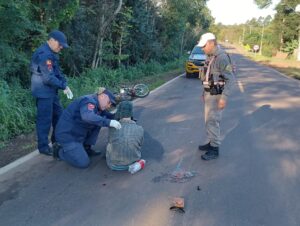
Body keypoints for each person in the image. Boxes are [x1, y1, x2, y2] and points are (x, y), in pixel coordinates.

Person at [53, 87, 122, 168]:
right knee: (83, 163)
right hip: (68, 136)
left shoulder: (98, 105)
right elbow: (87, 116)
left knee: (100, 119)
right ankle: (58, 151)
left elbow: (108, 115)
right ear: (102, 96)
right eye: (109, 102)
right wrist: (109, 122)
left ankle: (86, 147)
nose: (109, 105)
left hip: (77, 133)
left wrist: (121, 117)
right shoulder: (88, 101)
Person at [30, 30, 73, 156]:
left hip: (51, 92)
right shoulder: (44, 54)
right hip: (43, 92)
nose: (61, 47)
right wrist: (63, 86)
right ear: (52, 40)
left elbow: (56, 72)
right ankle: (43, 147)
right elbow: (48, 77)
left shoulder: (51, 53)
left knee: (59, 115)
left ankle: (56, 141)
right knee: (45, 120)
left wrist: (64, 83)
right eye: (60, 45)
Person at [197, 32, 234, 160]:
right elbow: (208, 75)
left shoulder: (222, 57)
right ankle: (211, 142)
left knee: (213, 121)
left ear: (212, 43)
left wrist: (224, 97)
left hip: (217, 95)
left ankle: (215, 149)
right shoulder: (210, 56)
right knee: (208, 121)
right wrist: (204, 92)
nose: (202, 48)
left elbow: (230, 79)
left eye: (204, 45)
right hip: (209, 93)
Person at [106, 101, 144, 170]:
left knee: (110, 143)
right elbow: (140, 144)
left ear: (119, 112)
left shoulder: (112, 127)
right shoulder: (140, 129)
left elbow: (109, 140)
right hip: (133, 163)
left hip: (113, 165)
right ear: (131, 112)